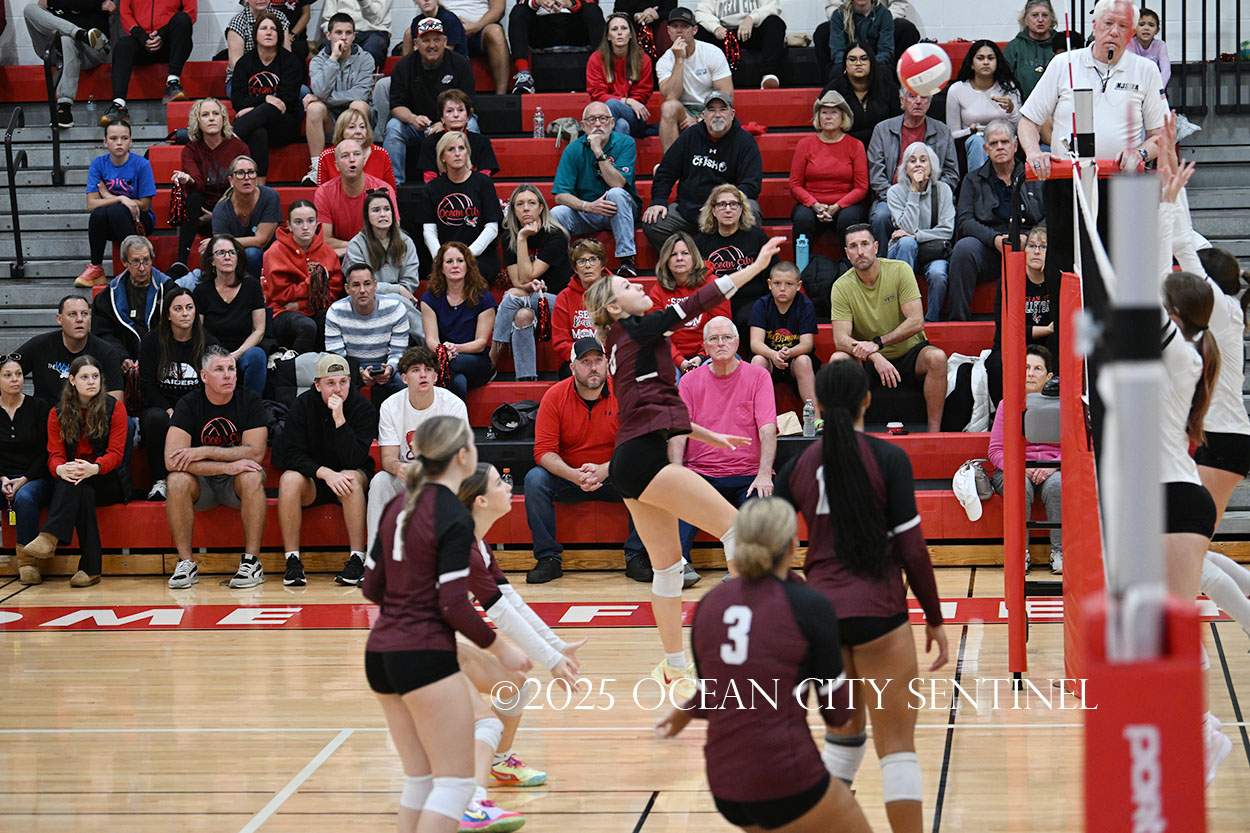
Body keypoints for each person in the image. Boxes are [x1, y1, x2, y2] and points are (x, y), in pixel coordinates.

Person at [583, 232, 785, 699]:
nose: (638, 288)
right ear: (614, 308)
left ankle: (675, 668)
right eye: (627, 288)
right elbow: (700, 300)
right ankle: (748, 650)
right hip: (643, 460)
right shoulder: (640, 328)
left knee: (669, 570)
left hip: (631, 460)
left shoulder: (621, 342)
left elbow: (652, 409)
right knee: (738, 532)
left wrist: (709, 435)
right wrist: (756, 268)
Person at [774, 360, 947, 833]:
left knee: (843, 744)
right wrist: (934, 619)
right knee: (897, 752)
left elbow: (767, 549)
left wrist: (800, 596)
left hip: (821, 621)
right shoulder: (889, 459)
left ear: (819, 405)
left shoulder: (797, 466)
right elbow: (913, 549)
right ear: (866, 401)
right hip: (880, 615)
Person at [653, 498, 873, 833]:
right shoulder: (809, 606)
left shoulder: (710, 604)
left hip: (724, 784)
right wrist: (850, 663)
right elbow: (838, 715)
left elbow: (718, 687)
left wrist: (684, 713)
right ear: (792, 546)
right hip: (785, 778)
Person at [361, 415, 529, 833]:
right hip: (422, 653)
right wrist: (501, 649)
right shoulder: (452, 514)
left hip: (379, 653)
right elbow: (453, 604)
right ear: (462, 456)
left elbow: (371, 587)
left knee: (420, 782)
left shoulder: (399, 505)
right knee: (454, 785)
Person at [457, 463, 578, 807]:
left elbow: (512, 603)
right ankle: (472, 804)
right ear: (481, 501)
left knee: (515, 686)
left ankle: (498, 763)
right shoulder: (460, 546)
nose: (509, 486)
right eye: (500, 482)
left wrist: (557, 647)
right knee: (485, 725)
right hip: (415, 647)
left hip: (441, 641)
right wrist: (551, 661)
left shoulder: (478, 544)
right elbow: (501, 615)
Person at [525, 337, 651, 584]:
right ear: (572, 367)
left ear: (607, 364)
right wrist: (574, 475)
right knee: (534, 480)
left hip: (614, 474)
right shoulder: (554, 396)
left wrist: (606, 469)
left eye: (598, 360)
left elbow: (639, 445)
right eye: (585, 362)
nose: (593, 367)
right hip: (570, 477)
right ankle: (548, 558)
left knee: (646, 473)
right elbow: (543, 451)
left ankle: (637, 555)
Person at [669, 316, 777, 586]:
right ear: (705, 347)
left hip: (748, 475)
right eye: (714, 339)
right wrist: (677, 474)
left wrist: (764, 474)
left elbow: (767, 428)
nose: (721, 343)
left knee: (761, 504)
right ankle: (679, 566)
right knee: (678, 497)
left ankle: (742, 568)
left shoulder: (758, 376)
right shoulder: (689, 381)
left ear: (737, 343)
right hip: (701, 474)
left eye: (727, 337)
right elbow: (679, 431)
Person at [164, 345, 268, 590]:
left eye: (231, 369)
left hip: (236, 483)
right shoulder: (189, 404)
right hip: (203, 484)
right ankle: (186, 563)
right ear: (204, 376)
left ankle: (252, 562)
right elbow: (171, 460)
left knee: (252, 475)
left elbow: (255, 453)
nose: (228, 375)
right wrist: (226, 466)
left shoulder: (250, 400)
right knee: (176, 480)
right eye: (219, 370)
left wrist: (204, 451)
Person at [21, 356, 128, 587]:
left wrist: (93, 468)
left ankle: (49, 537)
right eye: (85, 377)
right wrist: (61, 469)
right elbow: (55, 455)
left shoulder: (115, 408)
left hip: (106, 478)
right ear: (72, 380)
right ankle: (90, 569)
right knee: (82, 490)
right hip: (72, 479)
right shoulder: (57, 412)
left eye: (95, 376)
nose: (91, 382)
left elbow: (115, 454)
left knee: (80, 485)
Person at [830, 224, 948, 433]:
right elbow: (840, 339)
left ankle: (934, 432)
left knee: (937, 358)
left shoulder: (900, 270)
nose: (860, 251)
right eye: (853, 246)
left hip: (908, 352)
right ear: (847, 254)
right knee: (838, 360)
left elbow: (916, 321)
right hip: (868, 358)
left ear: (876, 247)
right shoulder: (841, 286)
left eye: (865, 244)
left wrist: (878, 344)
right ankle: (851, 433)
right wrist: (874, 355)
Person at [365, 345, 469, 577]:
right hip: (408, 475)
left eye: (428, 370)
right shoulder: (390, 406)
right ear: (404, 378)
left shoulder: (453, 405)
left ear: (435, 376)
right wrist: (399, 468)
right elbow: (388, 458)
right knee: (380, 481)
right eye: (415, 370)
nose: (423, 375)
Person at [277, 353, 377, 587]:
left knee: (350, 478)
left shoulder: (363, 407)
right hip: (314, 479)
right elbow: (290, 455)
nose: (337, 389)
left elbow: (355, 458)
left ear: (350, 382)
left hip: (349, 476)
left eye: (343, 382)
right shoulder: (302, 405)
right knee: (289, 480)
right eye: (330, 383)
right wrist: (324, 473)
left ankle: (357, 558)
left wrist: (339, 419)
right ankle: (292, 560)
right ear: (317, 385)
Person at [949, 119, 1045, 322]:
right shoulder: (972, 179)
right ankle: (958, 322)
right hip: (989, 246)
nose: (1000, 147)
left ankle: (1045, 321)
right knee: (964, 249)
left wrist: (1030, 238)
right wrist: (993, 239)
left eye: (1005, 142)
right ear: (985, 149)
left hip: (1028, 245)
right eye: (994, 143)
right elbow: (965, 221)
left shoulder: (1034, 176)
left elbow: (1049, 217)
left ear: (1015, 145)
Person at [643, 89, 762, 253]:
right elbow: (666, 171)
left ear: (732, 114)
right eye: (712, 110)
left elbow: (751, 185)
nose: (717, 115)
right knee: (654, 222)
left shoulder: (745, 141)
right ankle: (691, 259)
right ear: (703, 115)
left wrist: (719, 204)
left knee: (752, 210)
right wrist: (659, 200)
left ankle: (732, 260)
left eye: (723, 109)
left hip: (726, 209)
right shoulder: (690, 136)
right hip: (689, 209)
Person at [138, 286, 217, 501]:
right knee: (155, 419)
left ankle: (201, 478)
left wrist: (186, 413)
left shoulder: (209, 343)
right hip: (162, 406)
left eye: (189, 308)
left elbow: (213, 384)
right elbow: (147, 384)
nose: (185, 314)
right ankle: (160, 480)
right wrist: (170, 410)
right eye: (178, 309)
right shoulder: (152, 341)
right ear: (168, 314)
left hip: (196, 407)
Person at [988, 345, 1062, 574]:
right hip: (1015, 469)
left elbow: (1072, 448)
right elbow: (995, 451)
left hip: (1053, 469)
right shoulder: (1006, 405)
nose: (1030, 373)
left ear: (1049, 376)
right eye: (1026, 367)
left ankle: (1059, 553)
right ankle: (1020, 553)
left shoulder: (1062, 405)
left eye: (1037, 369)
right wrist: (1019, 467)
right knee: (1019, 486)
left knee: (1057, 485)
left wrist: (1054, 466)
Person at [550, 101, 642, 279]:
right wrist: (587, 206)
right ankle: (566, 267)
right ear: (583, 126)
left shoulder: (625, 142)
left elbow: (617, 183)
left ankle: (627, 260)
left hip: (619, 210)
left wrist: (598, 151)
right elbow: (560, 195)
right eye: (592, 120)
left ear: (612, 123)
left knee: (616, 193)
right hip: (588, 212)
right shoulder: (573, 149)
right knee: (557, 213)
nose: (598, 124)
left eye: (603, 119)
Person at [384, 17, 477, 187]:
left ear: (445, 41)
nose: (432, 45)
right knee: (394, 127)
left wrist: (446, 123)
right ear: (416, 43)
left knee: (471, 125)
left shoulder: (460, 64)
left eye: (437, 40)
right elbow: (396, 106)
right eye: (426, 40)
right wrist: (413, 118)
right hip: (417, 125)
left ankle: (470, 181)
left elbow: (469, 106)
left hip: (451, 123)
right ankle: (393, 186)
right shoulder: (404, 66)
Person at [866, 87, 959, 253]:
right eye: (912, 96)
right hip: (892, 196)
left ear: (929, 103)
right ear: (902, 101)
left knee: (946, 212)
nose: (918, 101)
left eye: (924, 97)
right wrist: (896, 197)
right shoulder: (883, 129)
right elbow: (876, 175)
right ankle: (881, 262)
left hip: (931, 196)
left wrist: (930, 194)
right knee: (881, 215)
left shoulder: (942, 131)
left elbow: (951, 173)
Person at [494, 186, 569, 381]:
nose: (526, 208)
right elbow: (519, 281)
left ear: (541, 208)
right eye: (520, 204)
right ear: (513, 210)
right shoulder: (509, 236)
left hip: (559, 303)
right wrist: (528, 288)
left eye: (531, 203)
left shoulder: (555, 235)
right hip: (531, 300)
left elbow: (526, 277)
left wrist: (522, 239)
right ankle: (526, 379)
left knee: (513, 295)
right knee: (522, 316)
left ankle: (492, 357)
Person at [170, 98, 251, 271]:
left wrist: (218, 215)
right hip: (202, 215)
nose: (211, 118)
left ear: (223, 119)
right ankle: (181, 261)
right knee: (193, 199)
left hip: (232, 212)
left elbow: (244, 187)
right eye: (205, 115)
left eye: (216, 114)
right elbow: (198, 185)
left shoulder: (238, 148)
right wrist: (189, 180)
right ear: (197, 121)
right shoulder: (191, 150)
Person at [77, 118, 157, 289]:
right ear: (105, 142)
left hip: (139, 222)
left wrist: (107, 196)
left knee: (116, 211)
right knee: (99, 213)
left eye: (124, 138)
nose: (119, 143)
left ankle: (136, 266)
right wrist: (120, 198)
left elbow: (145, 205)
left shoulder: (142, 164)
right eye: (113, 138)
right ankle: (96, 268)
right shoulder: (98, 164)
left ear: (131, 141)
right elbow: (91, 204)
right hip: (111, 222)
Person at [231, 13, 306, 186]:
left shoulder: (290, 62)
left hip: (285, 125)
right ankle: (259, 188)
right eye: (264, 28)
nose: (269, 32)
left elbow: (285, 101)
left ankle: (231, 136)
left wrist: (256, 107)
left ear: (279, 35)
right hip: (256, 125)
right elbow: (238, 100)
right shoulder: (244, 63)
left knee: (271, 108)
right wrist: (265, 99)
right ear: (255, 34)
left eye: (273, 29)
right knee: (258, 132)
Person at [303, 13, 376, 186]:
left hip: (358, 118)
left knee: (358, 105)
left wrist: (324, 98)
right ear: (328, 35)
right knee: (314, 108)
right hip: (331, 120)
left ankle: (359, 162)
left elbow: (359, 95)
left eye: (348, 33)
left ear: (354, 36)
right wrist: (333, 58)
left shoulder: (365, 59)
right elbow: (320, 90)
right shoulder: (318, 61)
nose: (343, 37)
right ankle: (317, 168)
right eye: (338, 32)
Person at [886, 142, 954, 323]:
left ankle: (931, 321)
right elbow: (906, 228)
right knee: (907, 243)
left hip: (932, 251)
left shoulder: (943, 190)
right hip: (902, 252)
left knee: (939, 274)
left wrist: (917, 236)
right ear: (905, 167)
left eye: (923, 160)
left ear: (931, 166)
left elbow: (947, 231)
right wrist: (914, 192)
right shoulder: (895, 192)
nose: (918, 165)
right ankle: (903, 317)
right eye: (912, 161)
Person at [263, 200, 344, 354]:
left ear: (317, 223)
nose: (305, 227)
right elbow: (281, 296)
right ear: (289, 225)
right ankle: (293, 365)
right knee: (307, 326)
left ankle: (328, 364)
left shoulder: (328, 253)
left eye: (310, 221)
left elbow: (331, 294)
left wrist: (299, 304)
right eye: (298, 222)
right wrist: (312, 283)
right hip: (281, 312)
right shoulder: (274, 253)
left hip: (313, 308)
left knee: (331, 319)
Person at [790, 90, 870, 246]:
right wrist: (815, 205)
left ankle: (850, 261)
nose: (828, 116)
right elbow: (795, 184)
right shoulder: (805, 144)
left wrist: (837, 206)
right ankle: (802, 261)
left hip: (845, 205)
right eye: (824, 112)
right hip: (812, 205)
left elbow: (861, 187)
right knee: (802, 218)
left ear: (843, 117)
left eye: (834, 112)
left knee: (849, 218)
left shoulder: (855, 145)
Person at [421, 131, 503, 280]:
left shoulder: (483, 183)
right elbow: (429, 231)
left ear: (467, 153)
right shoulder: (431, 188)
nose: (457, 153)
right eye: (451, 149)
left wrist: (466, 255)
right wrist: (442, 258)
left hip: (480, 257)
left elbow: (492, 228)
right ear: (442, 156)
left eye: (461, 148)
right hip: (445, 257)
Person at [1, 357, 54, 586]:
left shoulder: (39, 407)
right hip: (3, 477)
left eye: (19, 374)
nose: (15, 379)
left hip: (35, 477)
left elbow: (46, 451)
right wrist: (3, 478)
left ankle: (27, 563)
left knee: (25, 497)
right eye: (8, 375)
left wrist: (23, 479)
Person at [694, 183, 768, 347]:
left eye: (733, 204)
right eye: (722, 204)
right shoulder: (701, 241)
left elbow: (771, 273)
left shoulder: (757, 237)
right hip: (715, 303)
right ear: (713, 210)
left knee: (748, 317)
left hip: (750, 301)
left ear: (741, 209)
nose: (728, 209)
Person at [421, 242, 498, 400]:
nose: (455, 265)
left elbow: (481, 343)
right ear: (441, 268)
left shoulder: (484, 298)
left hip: (476, 361)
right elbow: (431, 340)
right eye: (449, 261)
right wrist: (443, 351)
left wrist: (454, 349)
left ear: (468, 265)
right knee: (458, 382)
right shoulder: (429, 299)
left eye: (460, 261)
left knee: (452, 364)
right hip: (444, 358)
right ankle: (459, 417)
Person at [346, 191, 425, 343]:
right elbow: (360, 285)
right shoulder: (356, 245)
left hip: (402, 299)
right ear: (367, 216)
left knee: (397, 302)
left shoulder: (405, 242)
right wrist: (396, 290)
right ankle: (432, 346)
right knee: (397, 301)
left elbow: (410, 282)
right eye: (376, 210)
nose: (383, 214)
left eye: (387, 209)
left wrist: (398, 292)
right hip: (365, 300)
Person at [193, 234, 267, 396]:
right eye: (221, 253)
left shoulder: (251, 286)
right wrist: (220, 357)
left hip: (243, 350)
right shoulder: (202, 291)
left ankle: (252, 406)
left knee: (257, 355)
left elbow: (259, 330)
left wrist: (236, 354)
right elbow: (198, 330)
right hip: (211, 351)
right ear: (212, 261)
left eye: (232, 253)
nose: (227, 257)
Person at [325, 263, 409, 400]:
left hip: (387, 364)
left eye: (367, 284)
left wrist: (390, 368)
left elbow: (398, 351)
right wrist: (358, 372)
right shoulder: (335, 312)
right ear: (347, 289)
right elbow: (337, 357)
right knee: (333, 381)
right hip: (351, 368)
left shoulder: (395, 308)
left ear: (375, 286)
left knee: (405, 380)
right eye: (356, 285)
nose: (362, 290)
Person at [650, 231, 731, 374]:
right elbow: (658, 334)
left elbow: (722, 329)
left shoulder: (713, 285)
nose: (679, 258)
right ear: (666, 260)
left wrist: (701, 357)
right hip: (671, 357)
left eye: (685, 253)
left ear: (694, 257)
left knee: (717, 368)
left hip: (710, 353)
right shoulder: (657, 291)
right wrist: (680, 361)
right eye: (673, 254)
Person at [18, 296, 125, 402]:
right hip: (46, 412)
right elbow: (9, 369)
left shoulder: (106, 352)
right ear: (59, 319)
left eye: (84, 314)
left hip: (89, 412)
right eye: (72, 314)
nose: (79, 319)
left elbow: (116, 402)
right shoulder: (40, 345)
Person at [655, 7, 732, 152]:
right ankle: (670, 163)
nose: (679, 31)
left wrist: (700, 119)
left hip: (711, 106)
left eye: (684, 26)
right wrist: (679, 60)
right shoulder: (664, 61)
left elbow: (727, 95)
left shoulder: (712, 52)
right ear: (668, 31)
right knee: (668, 107)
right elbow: (671, 96)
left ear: (694, 30)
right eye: (675, 26)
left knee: (722, 110)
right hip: (683, 111)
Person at [22, 0, 109, 130]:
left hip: (91, 50)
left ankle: (64, 106)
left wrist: (53, 3)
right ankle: (79, 33)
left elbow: (105, 7)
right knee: (30, 9)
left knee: (67, 38)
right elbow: (41, 6)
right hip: (57, 47)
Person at [102, 0, 194, 123]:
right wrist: (141, 36)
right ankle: (118, 104)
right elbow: (125, 12)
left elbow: (190, 12)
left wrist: (162, 34)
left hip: (169, 45)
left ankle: (173, 83)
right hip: (142, 42)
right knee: (122, 45)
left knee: (182, 19)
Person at [750, 260, 820, 418]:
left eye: (789, 284)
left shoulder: (806, 305)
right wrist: (773, 355)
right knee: (757, 361)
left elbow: (807, 344)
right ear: (769, 284)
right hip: (770, 359)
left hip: (794, 359)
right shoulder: (761, 305)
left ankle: (815, 419)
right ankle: (758, 419)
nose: (782, 288)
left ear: (798, 285)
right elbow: (755, 343)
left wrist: (789, 352)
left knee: (804, 361)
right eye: (777, 283)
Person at [91, 235, 171, 372]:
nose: (142, 268)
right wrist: (120, 356)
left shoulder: (168, 290)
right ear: (124, 262)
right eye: (135, 262)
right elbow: (102, 334)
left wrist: (151, 356)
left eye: (146, 261)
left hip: (162, 361)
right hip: (123, 365)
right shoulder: (107, 296)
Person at [944, 40, 1022, 175]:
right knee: (978, 142)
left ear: (997, 62)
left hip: (1003, 138)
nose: (986, 62)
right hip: (971, 141)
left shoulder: (1009, 88)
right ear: (971, 64)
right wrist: (970, 130)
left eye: (990, 58)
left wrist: (1011, 111)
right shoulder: (957, 90)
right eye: (980, 58)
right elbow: (952, 134)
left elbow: (1019, 130)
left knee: (1003, 143)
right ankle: (979, 185)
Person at [315, 139, 399, 256]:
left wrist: (355, 248)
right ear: (337, 166)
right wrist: (358, 248)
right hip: (342, 257)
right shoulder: (324, 192)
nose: (352, 159)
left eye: (356, 154)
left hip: (377, 255)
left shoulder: (384, 189)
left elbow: (393, 234)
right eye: (345, 156)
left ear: (364, 161)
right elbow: (326, 240)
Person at [507, 0, 605, 95]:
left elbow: (592, 2)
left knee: (593, 10)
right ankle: (524, 75)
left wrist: (572, 3)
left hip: (575, 27)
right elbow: (521, 2)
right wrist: (537, 2)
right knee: (518, 11)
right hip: (541, 29)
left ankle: (603, 72)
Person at [211, 155, 281, 280]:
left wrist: (226, 241)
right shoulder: (221, 209)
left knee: (252, 253)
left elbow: (261, 241)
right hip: (234, 257)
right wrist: (220, 243)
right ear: (231, 180)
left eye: (251, 172)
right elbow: (221, 246)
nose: (247, 177)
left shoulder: (270, 196)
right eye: (240, 173)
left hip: (270, 254)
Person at [587, 12, 655, 138]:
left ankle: (597, 147)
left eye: (624, 28)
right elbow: (597, 95)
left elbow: (641, 96)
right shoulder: (596, 59)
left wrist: (625, 103)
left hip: (634, 116)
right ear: (608, 36)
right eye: (614, 29)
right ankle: (615, 152)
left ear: (631, 34)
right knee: (621, 125)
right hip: (604, 114)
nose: (619, 33)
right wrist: (627, 100)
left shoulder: (643, 59)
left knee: (613, 104)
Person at [693, 0, 786, 89]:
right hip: (724, 34)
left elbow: (773, 6)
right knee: (698, 30)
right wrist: (715, 28)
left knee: (775, 23)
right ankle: (704, 79)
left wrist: (751, 18)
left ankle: (768, 75)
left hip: (752, 30)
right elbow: (701, 12)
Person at [822, 44, 901, 148]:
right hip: (844, 149)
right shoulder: (833, 90)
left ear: (871, 62)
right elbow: (824, 126)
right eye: (852, 60)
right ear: (845, 64)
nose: (858, 63)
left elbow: (897, 124)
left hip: (883, 148)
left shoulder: (888, 88)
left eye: (864, 59)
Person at [553, 239, 609, 378]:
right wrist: (584, 358)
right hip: (575, 359)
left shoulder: (618, 291)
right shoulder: (564, 297)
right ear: (575, 268)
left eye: (593, 259)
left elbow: (625, 336)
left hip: (609, 358)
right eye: (581, 261)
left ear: (602, 265)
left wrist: (601, 358)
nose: (587, 265)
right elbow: (560, 341)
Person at [416, 90, 499, 183]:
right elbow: (430, 181)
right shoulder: (430, 143)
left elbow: (484, 180)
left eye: (460, 110)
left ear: (468, 116)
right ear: (442, 117)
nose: (456, 115)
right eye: (449, 111)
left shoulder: (482, 142)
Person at [438, 0, 511, 95]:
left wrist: (476, 26)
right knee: (424, 36)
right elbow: (428, 5)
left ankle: (501, 96)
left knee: (496, 32)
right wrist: (452, 24)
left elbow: (499, 8)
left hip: (481, 28)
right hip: (446, 28)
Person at [316, 109, 397, 190]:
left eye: (362, 127)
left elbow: (391, 191)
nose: (358, 131)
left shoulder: (381, 153)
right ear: (341, 131)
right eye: (352, 127)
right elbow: (321, 193)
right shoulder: (327, 156)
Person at [225, 0, 291, 93]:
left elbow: (287, 58)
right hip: (243, 80)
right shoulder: (237, 23)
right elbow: (236, 66)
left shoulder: (280, 17)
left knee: (303, 92)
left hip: (277, 77)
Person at [1002, 0, 1057, 101]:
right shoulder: (1014, 47)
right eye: (1035, 15)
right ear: (1026, 19)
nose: (1040, 20)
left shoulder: (1061, 45)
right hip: (1022, 106)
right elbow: (1003, 81)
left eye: (1045, 15)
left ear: (1051, 19)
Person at [826, 0, 894, 79]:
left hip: (875, 62)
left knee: (884, 71)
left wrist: (867, 63)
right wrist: (853, 63)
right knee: (837, 71)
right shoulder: (839, 14)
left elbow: (886, 50)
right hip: (849, 63)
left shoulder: (884, 14)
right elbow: (837, 51)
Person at [319, 0, 393, 69]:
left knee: (373, 48)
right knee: (327, 45)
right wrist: (334, 32)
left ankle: (368, 78)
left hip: (374, 29)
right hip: (342, 27)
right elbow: (328, 17)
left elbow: (377, 19)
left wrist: (363, 1)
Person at [403, 0, 468, 56]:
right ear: (415, 0)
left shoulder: (449, 19)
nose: (426, 0)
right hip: (427, 62)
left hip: (453, 63)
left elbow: (446, 53)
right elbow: (417, 49)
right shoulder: (416, 21)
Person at [1128, 7, 1171, 88]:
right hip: (1133, 87)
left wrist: (1159, 89)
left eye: (1151, 25)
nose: (1146, 28)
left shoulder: (1160, 45)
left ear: (1157, 30)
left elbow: (1166, 70)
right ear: (1134, 28)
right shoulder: (1130, 44)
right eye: (1141, 24)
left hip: (1155, 85)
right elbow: (1130, 69)